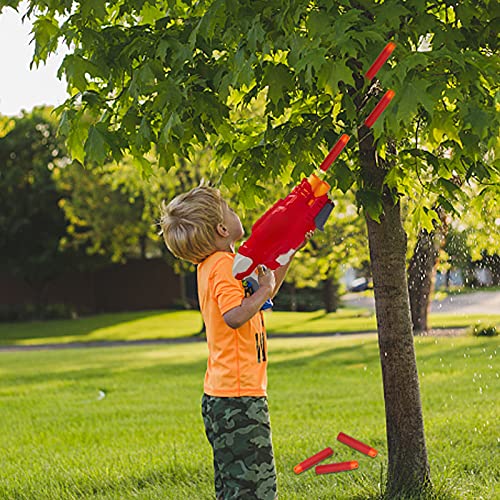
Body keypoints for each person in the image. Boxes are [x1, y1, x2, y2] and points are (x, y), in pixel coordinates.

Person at [160, 184, 306, 499]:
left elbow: (262, 297)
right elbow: (235, 315)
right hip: (239, 401)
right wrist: (264, 290)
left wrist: (287, 253)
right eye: (227, 206)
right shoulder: (224, 266)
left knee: (234, 489)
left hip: (224, 396)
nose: (233, 209)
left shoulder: (215, 265)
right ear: (222, 228)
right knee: (255, 491)